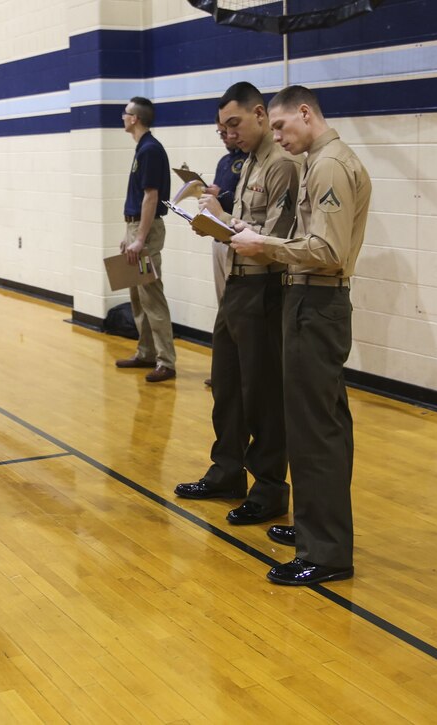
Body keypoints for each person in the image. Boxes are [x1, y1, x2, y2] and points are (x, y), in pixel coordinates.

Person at [231, 84, 371, 586]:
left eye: (281, 126)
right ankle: (316, 526)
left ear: (305, 113)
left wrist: (265, 245)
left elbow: (328, 251)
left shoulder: (329, 164)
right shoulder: (323, 160)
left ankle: (326, 551)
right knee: (320, 424)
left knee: (315, 430)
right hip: (311, 301)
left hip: (316, 301)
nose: (278, 137)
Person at [175, 82, 300, 528]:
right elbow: (243, 226)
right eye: (223, 128)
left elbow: (274, 240)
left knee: (262, 395)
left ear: (260, 114)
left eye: (235, 123)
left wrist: (223, 220)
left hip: (263, 289)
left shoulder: (282, 163)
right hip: (237, 286)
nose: (230, 134)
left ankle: (269, 488)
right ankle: (227, 470)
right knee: (226, 386)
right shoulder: (246, 162)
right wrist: (213, 223)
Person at [114, 97, 176, 382]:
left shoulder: (150, 150)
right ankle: (146, 352)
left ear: (135, 118)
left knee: (151, 296)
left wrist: (140, 239)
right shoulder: (143, 148)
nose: (122, 116)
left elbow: (151, 196)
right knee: (138, 296)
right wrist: (128, 235)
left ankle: (166, 361)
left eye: (125, 113)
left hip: (145, 231)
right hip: (136, 227)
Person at [209, 120, 249, 305]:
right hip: (217, 235)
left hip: (235, 236)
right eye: (220, 133)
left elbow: (245, 202)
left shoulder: (248, 160)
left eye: (225, 132)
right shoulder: (223, 161)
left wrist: (221, 194)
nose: (224, 137)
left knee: (235, 301)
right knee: (222, 299)